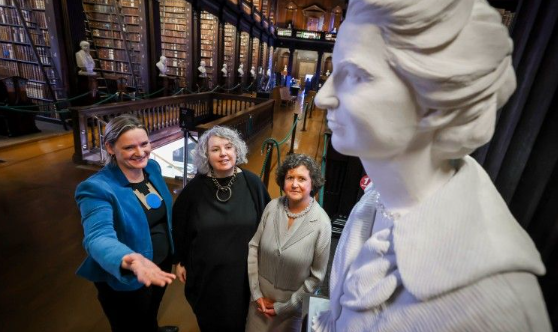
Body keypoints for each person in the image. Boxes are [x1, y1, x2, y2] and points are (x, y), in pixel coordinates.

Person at [312, 0, 550, 331]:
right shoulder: (379, 199)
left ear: (437, 103)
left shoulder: (497, 307)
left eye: (354, 74)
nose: (322, 97)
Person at [75, 114, 178, 332]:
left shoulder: (152, 169)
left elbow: (164, 216)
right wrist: (130, 260)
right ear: (110, 148)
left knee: (151, 311)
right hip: (129, 275)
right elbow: (97, 236)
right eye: (130, 147)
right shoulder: (97, 188)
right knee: (130, 325)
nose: (141, 153)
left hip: (159, 265)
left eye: (144, 144)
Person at [173, 126, 271, 331]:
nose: (223, 153)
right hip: (207, 275)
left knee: (242, 321)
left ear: (237, 151)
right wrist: (180, 260)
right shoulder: (194, 191)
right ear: (205, 155)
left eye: (228, 147)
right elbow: (180, 226)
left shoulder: (253, 184)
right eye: (215, 149)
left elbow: (268, 225)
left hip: (245, 274)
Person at [246, 154, 331, 332]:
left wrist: (285, 307)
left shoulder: (322, 223)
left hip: (290, 311)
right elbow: (254, 247)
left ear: (312, 183)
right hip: (258, 304)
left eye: (301, 179)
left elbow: (316, 277)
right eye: (290, 177)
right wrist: (256, 294)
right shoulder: (272, 207)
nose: (294, 184)